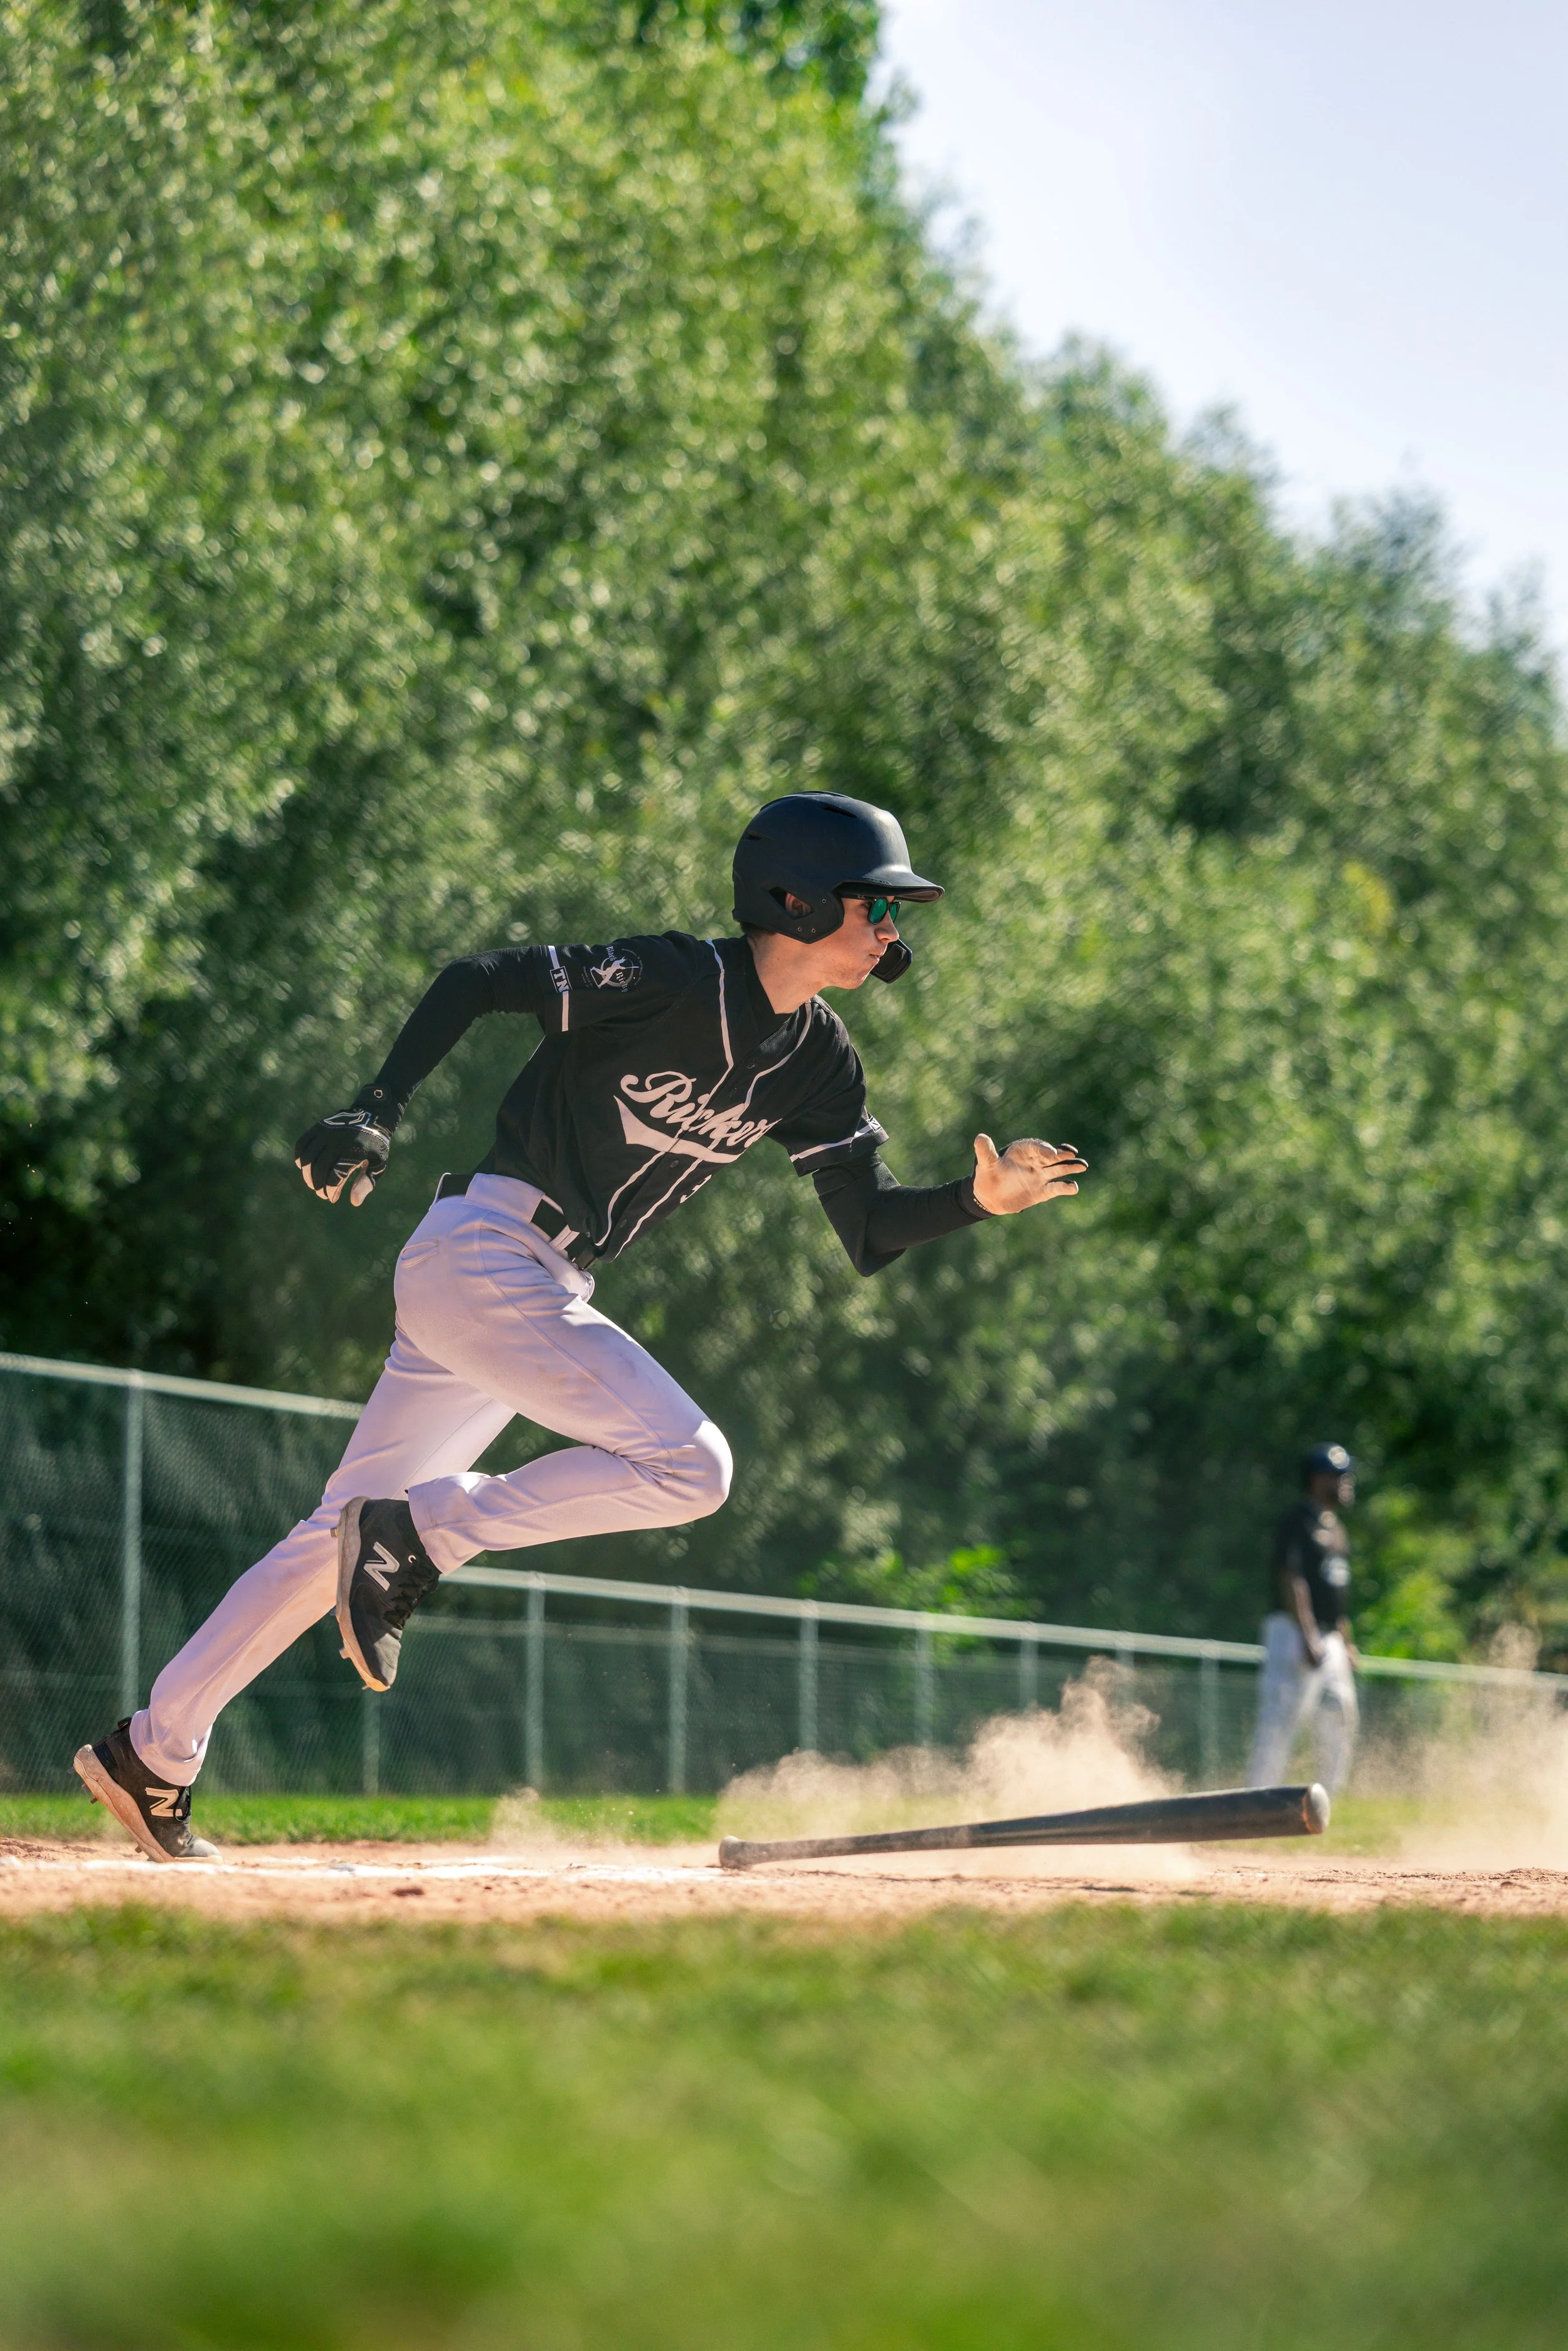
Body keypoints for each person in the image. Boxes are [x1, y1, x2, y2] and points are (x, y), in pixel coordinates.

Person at [74, 792, 1089, 1860]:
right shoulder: (674, 974)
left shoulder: (820, 1060)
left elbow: (872, 1226)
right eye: (873, 903)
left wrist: (981, 1199)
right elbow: (478, 981)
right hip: (485, 1253)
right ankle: (423, 1533)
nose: (892, 928)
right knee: (691, 1467)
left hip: (524, 1281)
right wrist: (377, 1106)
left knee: (334, 1532)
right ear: (791, 898)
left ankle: (154, 1753)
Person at [1247, 1440, 1359, 1795]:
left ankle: (1324, 1803)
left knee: (1341, 1716)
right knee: (1281, 1719)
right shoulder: (1298, 1521)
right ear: (1315, 1480)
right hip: (1293, 1632)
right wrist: (1308, 1635)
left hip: (1330, 1637)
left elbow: (1335, 1596)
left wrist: (1345, 1640)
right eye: (1336, 1476)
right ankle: (1257, 1800)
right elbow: (1291, 1578)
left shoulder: (1336, 1528)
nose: (1345, 1482)